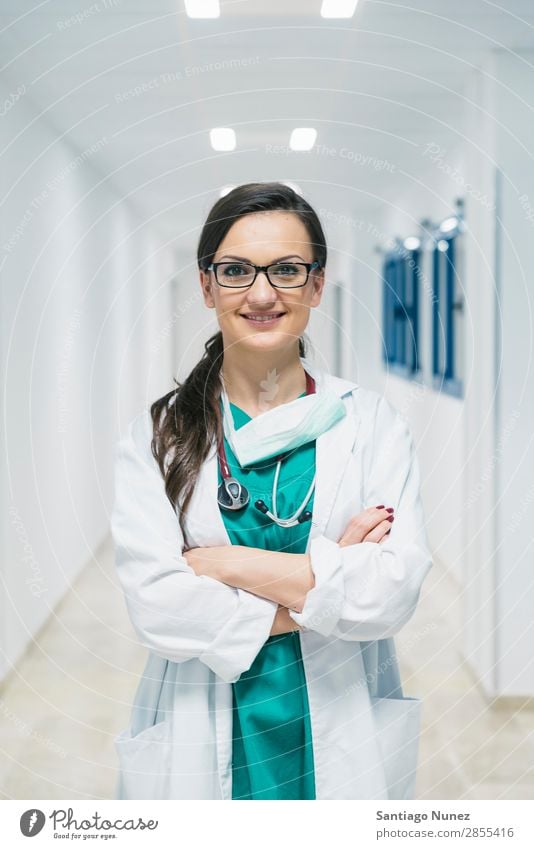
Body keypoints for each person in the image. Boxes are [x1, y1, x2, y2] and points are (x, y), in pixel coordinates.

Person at [110, 181, 433, 800]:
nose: (262, 293)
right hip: (200, 723)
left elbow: (393, 590)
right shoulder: (158, 435)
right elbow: (158, 608)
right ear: (206, 285)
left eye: (286, 270)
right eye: (236, 271)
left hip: (342, 712)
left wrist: (228, 564)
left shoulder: (370, 423)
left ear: (316, 283)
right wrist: (326, 578)